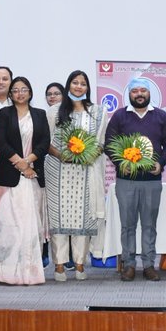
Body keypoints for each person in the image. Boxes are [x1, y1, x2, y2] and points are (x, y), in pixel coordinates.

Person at [106, 77, 166, 281]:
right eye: (135, 91)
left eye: (142, 91)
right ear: (129, 94)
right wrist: (121, 164)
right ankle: (128, 265)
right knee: (127, 225)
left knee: (149, 225)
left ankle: (148, 265)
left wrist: (161, 163)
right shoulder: (120, 116)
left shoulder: (161, 116)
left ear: (149, 93)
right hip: (126, 180)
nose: (139, 94)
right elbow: (109, 144)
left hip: (152, 181)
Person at [43, 70, 108, 281]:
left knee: (82, 219)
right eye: (75, 83)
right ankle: (59, 265)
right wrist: (62, 156)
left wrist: (89, 155)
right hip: (58, 171)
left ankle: (80, 265)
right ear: (68, 85)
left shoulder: (97, 112)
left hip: (86, 172)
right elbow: (46, 141)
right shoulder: (54, 111)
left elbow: (101, 142)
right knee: (59, 219)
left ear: (87, 88)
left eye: (82, 83)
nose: (78, 86)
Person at [0, 76, 49, 285]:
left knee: (31, 226)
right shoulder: (4, 114)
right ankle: (6, 273)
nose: (20, 93)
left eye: (24, 89)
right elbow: (0, 142)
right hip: (10, 178)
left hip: (33, 176)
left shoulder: (40, 115)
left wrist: (29, 161)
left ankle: (31, 272)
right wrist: (20, 164)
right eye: (15, 90)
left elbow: (45, 142)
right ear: (10, 94)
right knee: (10, 227)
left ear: (30, 92)